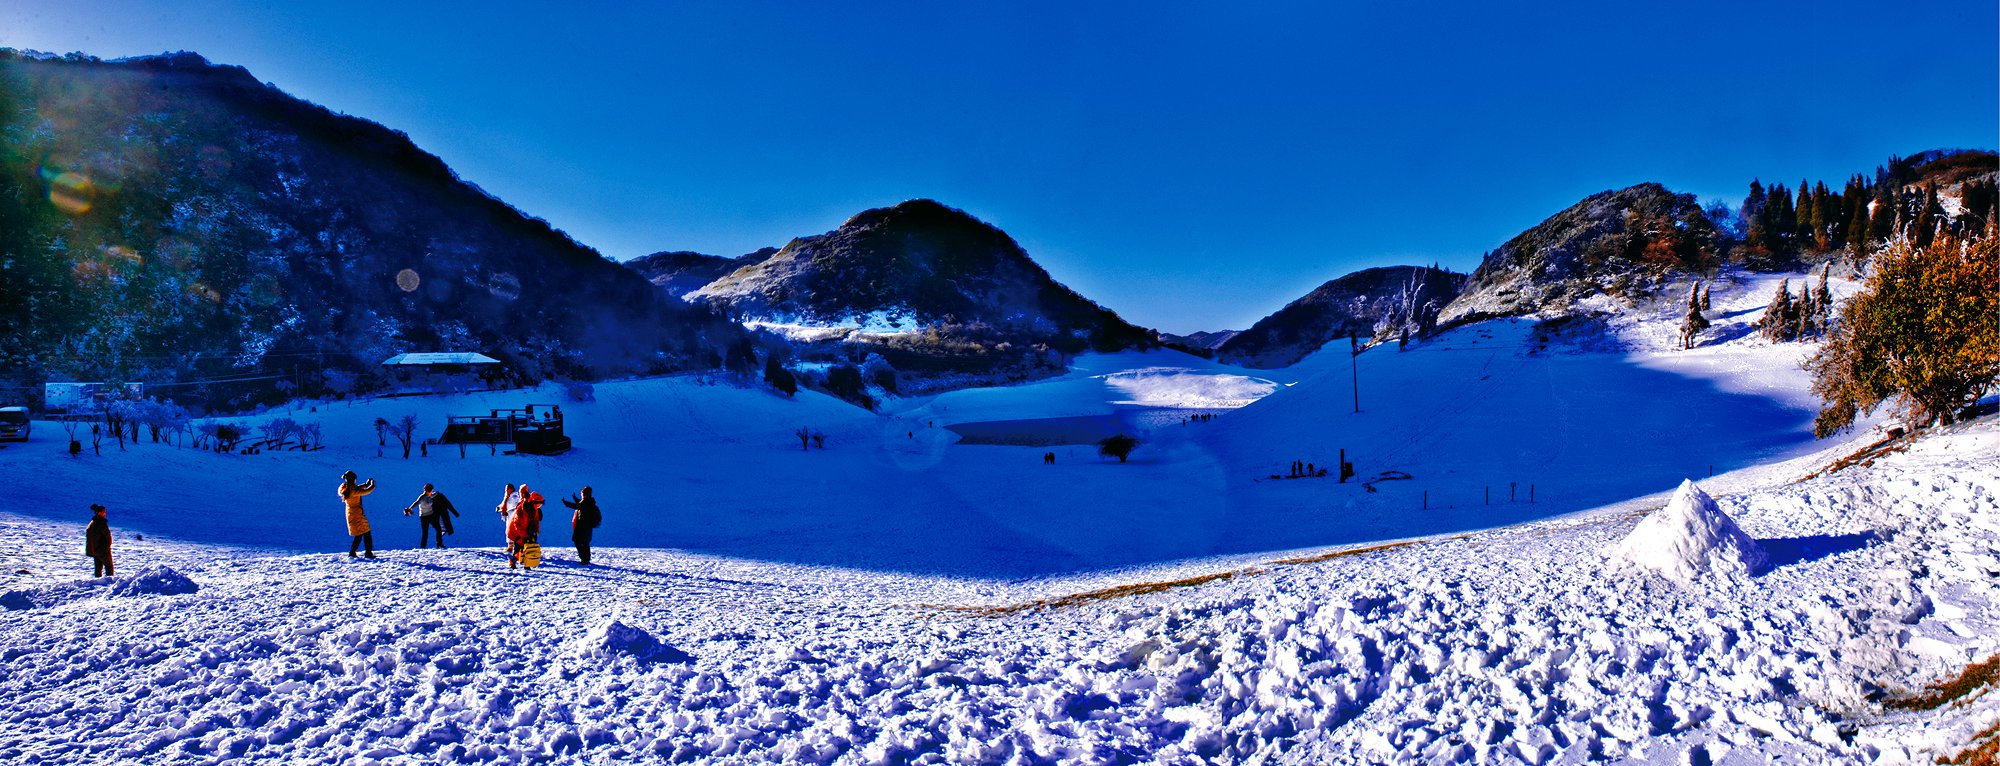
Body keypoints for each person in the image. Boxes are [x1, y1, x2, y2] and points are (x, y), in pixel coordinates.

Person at [404, 484, 460, 549]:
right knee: (425, 532)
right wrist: (410, 508)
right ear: (428, 491)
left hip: (431, 515)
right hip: (424, 517)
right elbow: (416, 503)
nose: (432, 491)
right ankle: (423, 547)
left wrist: (437, 493)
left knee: (438, 529)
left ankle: (439, 544)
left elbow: (435, 494)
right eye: (431, 490)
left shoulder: (430, 495)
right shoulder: (422, 497)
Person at [339, 470, 377, 558]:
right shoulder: (352, 490)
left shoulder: (344, 488)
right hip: (357, 514)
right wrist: (372, 485)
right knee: (366, 532)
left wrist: (365, 484)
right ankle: (368, 552)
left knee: (359, 534)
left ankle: (352, 552)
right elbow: (365, 491)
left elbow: (356, 488)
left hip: (350, 513)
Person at [562, 487, 602, 565]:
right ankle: (587, 559)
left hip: (581, 528)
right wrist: (574, 498)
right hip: (588, 528)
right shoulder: (590, 502)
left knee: (577, 542)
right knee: (585, 543)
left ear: (585, 494)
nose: (582, 495)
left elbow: (577, 506)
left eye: (582, 494)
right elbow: (580, 504)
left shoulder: (585, 502)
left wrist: (565, 502)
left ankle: (584, 559)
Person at [85, 504, 113, 577]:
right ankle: (110, 584)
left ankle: (98, 584)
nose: (105, 513)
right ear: (99, 512)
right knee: (109, 566)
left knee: (98, 569)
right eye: (104, 512)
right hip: (102, 550)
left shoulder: (92, 523)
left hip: (95, 550)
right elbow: (107, 537)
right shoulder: (101, 523)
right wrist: (106, 547)